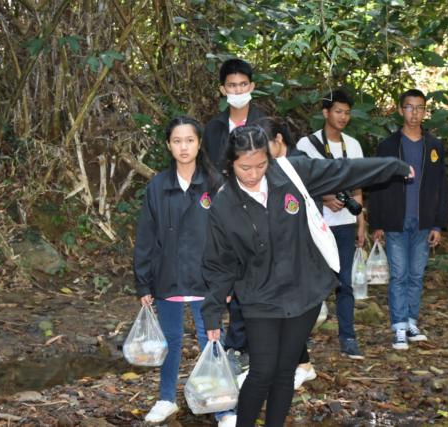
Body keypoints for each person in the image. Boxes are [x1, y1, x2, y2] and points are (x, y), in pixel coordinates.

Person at [201, 125, 414, 427]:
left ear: (269, 159)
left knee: (285, 370)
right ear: (230, 163)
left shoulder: (292, 172)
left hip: (303, 290)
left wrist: (392, 166)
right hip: (259, 297)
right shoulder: (223, 204)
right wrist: (211, 312)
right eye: (244, 167)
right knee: (262, 371)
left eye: (261, 165)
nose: (253, 174)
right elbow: (219, 262)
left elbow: (343, 171)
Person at [132, 116, 236, 427]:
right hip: (169, 275)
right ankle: (166, 398)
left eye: (189, 140)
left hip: (206, 278)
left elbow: (229, 236)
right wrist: (143, 282)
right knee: (171, 340)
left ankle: (222, 408)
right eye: (177, 141)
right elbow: (146, 236)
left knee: (211, 338)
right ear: (168, 145)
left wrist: (228, 282)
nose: (184, 147)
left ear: (199, 143)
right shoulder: (158, 185)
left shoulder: (215, 183)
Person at [368, 89, 448, 351]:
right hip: (395, 221)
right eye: (410, 107)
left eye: (420, 108)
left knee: (416, 274)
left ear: (425, 111)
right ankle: (399, 326)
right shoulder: (388, 146)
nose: (415, 113)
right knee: (399, 275)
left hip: (423, 222)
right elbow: (377, 184)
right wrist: (376, 223)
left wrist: (438, 224)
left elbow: (441, 186)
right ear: (401, 110)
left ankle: (412, 322)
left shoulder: (434, 146)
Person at [204, 58, 266, 371]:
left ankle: (257, 344)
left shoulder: (264, 124)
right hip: (227, 210)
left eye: (243, 85)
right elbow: (208, 165)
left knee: (257, 275)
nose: (238, 91)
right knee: (233, 275)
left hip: (260, 210)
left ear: (252, 87)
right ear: (222, 89)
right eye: (232, 85)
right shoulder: (215, 127)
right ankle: (238, 345)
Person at [296, 89, 366, 359]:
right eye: (338, 111)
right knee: (313, 282)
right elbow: (299, 184)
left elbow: (358, 187)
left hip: (345, 224)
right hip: (317, 226)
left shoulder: (353, 145)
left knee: (344, 283)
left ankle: (348, 337)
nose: (343, 117)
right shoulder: (307, 144)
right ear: (326, 112)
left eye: (347, 112)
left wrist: (361, 221)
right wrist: (325, 198)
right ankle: (301, 338)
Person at [253, 116, 316, 390]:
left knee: (290, 310)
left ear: (278, 140)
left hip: (300, 249)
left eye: (264, 147)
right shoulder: (271, 166)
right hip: (277, 250)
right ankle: (299, 363)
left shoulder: (299, 163)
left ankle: (300, 365)